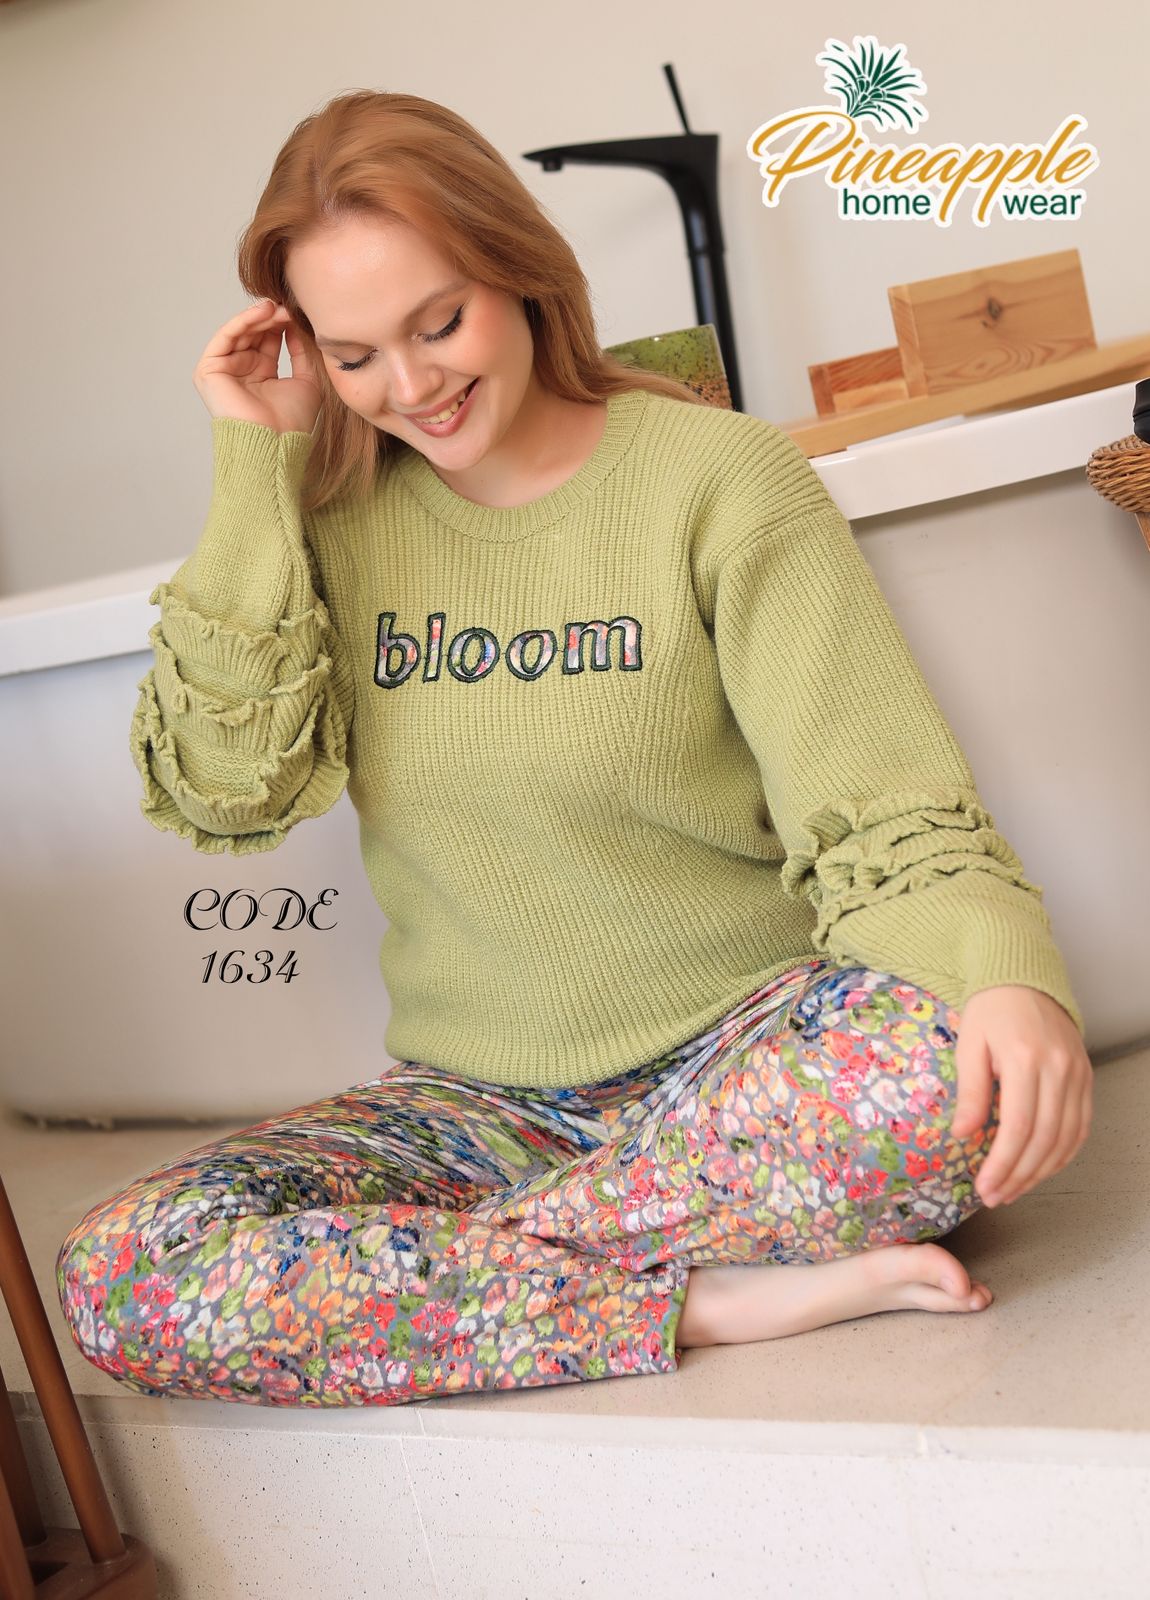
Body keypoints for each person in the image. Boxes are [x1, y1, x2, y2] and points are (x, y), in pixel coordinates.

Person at [55, 90, 1092, 1408]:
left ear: (520, 269)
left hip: (742, 1057)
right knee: (124, 1269)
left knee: (942, 1068)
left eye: (439, 322)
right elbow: (227, 787)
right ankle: (696, 1294)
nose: (413, 386)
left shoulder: (718, 476)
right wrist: (250, 469)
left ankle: (456, 1293)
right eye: (356, 353)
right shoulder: (328, 519)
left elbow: (880, 806)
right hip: (479, 1111)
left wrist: (1005, 977)